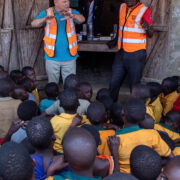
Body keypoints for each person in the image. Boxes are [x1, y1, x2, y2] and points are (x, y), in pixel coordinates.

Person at [104, 98, 173, 173]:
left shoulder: (113, 140)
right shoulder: (153, 135)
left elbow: (109, 167)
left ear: (122, 113)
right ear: (143, 117)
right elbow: (170, 157)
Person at [108, 0, 153, 102]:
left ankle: (134, 112)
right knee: (114, 83)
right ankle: (109, 110)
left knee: (134, 86)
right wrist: (115, 40)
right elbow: (122, 26)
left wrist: (148, 28)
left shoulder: (144, 10)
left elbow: (151, 34)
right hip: (121, 52)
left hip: (136, 54)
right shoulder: (122, 7)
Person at [31, 0, 85, 84]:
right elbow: (33, 24)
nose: (68, 3)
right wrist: (44, 19)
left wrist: (73, 16)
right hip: (52, 57)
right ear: (56, 2)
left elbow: (82, 19)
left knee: (70, 84)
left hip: (69, 57)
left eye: (68, 1)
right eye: (64, 1)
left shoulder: (71, 12)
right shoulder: (47, 12)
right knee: (52, 85)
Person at [50, 88, 91, 153]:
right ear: (79, 104)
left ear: (60, 105)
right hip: (77, 154)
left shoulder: (54, 121)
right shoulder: (85, 121)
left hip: (58, 153)